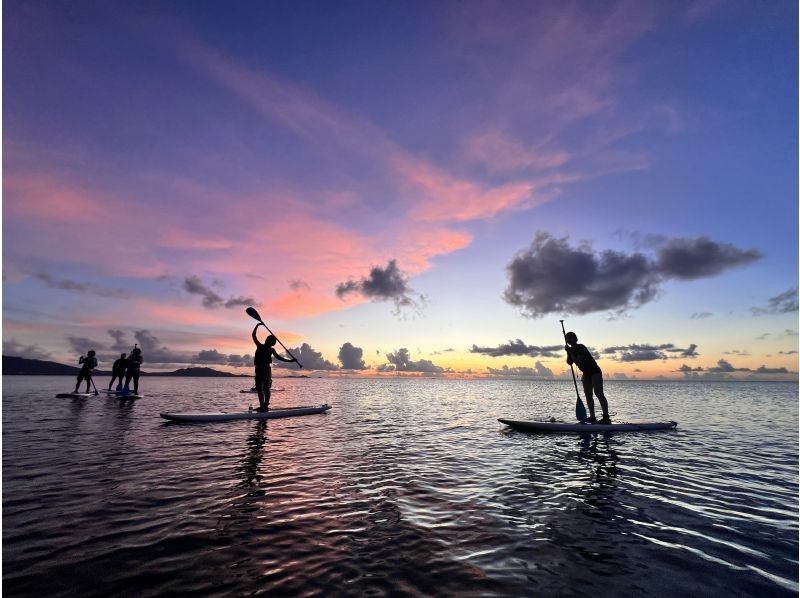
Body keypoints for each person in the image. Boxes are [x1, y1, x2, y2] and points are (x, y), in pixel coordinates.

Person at [564, 332, 611, 424]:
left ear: (574, 339)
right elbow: (570, 362)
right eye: (567, 339)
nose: (568, 341)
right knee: (588, 395)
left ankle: (606, 417)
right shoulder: (571, 350)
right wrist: (568, 352)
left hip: (594, 371)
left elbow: (577, 360)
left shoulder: (581, 347)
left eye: (569, 339)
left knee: (598, 393)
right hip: (586, 373)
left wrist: (570, 352)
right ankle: (592, 417)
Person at [252, 323, 296, 411]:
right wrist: (257, 325)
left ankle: (265, 406)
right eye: (267, 338)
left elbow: (279, 358)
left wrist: (290, 361)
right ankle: (262, 406)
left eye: (268, 339)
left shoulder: (272, 350)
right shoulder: (259, 346)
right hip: (258, 369)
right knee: (259, 388)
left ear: (271, 343)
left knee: (266, 388)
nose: (266, 339)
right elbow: (253, 335)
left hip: (266, 369)